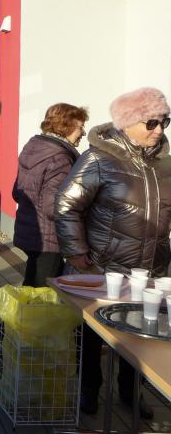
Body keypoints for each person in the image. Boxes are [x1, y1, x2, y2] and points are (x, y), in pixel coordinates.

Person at [56, 87, 171, 419]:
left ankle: (130, 392)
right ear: (127, 122)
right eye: (151, 122)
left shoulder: (165, 166)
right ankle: (89, 389)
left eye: (164, 121)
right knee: (94, 335)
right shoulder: (98, 159)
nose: (159, 130)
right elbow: (66, 206)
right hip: (104, 268)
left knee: (142, 334)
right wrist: (76, 251)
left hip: (150, 271)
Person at [0, 102, 88, 370]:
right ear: (66, 126)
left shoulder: (35, 148)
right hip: (49, 239)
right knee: (34, 299)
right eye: (79, 126)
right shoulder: (61, 158)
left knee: (33, 292)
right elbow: (55, 206)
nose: (82, 132)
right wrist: (84, 205)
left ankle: (5, 352)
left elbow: (18, 192)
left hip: (31, 232)